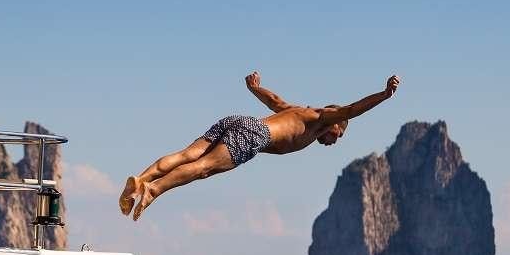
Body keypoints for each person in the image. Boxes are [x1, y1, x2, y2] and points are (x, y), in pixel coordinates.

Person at [119, 72, 399, 221]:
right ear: (336, 126)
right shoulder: (322, 119)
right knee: (202, 168)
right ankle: (152, 190)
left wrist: (255, 89)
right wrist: (384, 95)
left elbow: (275, 101)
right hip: (254, 133)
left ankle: (140, 179)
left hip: (239, 119)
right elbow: (353, 109)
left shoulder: (299, 112)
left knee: (187, 154)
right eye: (336, 138)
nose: (330, 143)